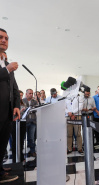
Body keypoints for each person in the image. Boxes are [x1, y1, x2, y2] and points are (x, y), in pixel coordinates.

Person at [0, 28, 20, 183]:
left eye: (6, 38)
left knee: (3, 141)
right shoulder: (7, 67)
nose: (4, 40)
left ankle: (0, 168)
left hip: (7, 111)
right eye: (0, 37)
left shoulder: (7, 64)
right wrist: (6, 70)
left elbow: (14, 87)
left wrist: (16, 106)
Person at [12, 90, 27, 162]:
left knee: (21, 141)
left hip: (22, 122)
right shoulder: (13, 103)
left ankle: (21, 156)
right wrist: (20, 111)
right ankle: (15, 158)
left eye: (22, 95)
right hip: (15, 123)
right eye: (20, 95)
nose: (21, 97)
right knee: (15, 141)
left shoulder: (23, 102)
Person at [23, 89, 38, 157]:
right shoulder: (22, 101)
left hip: (32, 122)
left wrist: (30, 110)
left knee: (31, 138)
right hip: (24, 122)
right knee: (22, 138)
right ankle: (21, 152)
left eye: (32, 93)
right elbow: (22, 110)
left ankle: (32, 151)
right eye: (30, 93)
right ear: (26, 94)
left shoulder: (35, 102)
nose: (31, 95)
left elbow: (36, 109)